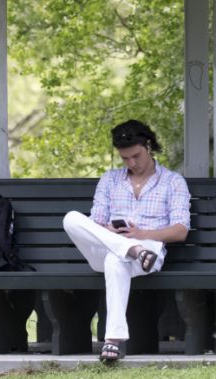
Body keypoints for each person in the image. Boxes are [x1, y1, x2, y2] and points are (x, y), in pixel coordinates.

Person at [62, 119, 190, 364]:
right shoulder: (110, 180)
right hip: (110, 244)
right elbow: (93, 223)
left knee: (115, 260)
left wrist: (143, 235)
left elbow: (180, 230)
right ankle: (131, 249)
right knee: (71, 218)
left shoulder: (173, 181)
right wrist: (109, 230)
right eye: (125, 158)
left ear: (149, 146)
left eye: (136, 156)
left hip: (148, 251)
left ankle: (112, 341)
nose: (131, 163)